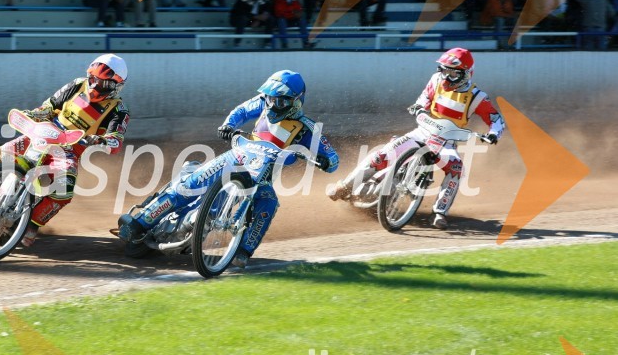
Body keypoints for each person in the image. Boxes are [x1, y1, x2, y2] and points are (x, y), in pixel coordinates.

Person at [118, 70, 339, 268]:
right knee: (190, 184)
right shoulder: (263, 103)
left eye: (279, 101)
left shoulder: (308, 128)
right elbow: (242, 111)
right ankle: (140, 222)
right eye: (270, 98)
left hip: (260, 178)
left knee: (269, 203)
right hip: (233, 159)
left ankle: (243, 251)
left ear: (296, 102)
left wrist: (326, 161)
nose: (272, 104)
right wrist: (229, 125)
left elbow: (332, 158)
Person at [0, 54, 130, 247]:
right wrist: (33, 114)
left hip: (69, 149)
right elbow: (49, 106)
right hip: (42, 134)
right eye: (92, 79)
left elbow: (116, 141)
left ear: (116, 85)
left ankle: (32, 226)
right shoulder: (77, 85)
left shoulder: (119, 110)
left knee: (64, 190)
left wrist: (99, 140)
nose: (94, 85)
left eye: (102, 83)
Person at [327, 48, 505, 230]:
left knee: (456, 169)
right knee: (381, 155)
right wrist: (418, 107)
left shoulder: (477, 97)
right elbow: (424, 99)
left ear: (466, 74)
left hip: (445, 143)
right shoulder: (436, 81)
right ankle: (345, 186)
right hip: (422, 132)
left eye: (452, 73)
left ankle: (440, 212)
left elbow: (496, 120)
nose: (445, 76)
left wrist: (493, 134)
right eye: (443, 70)